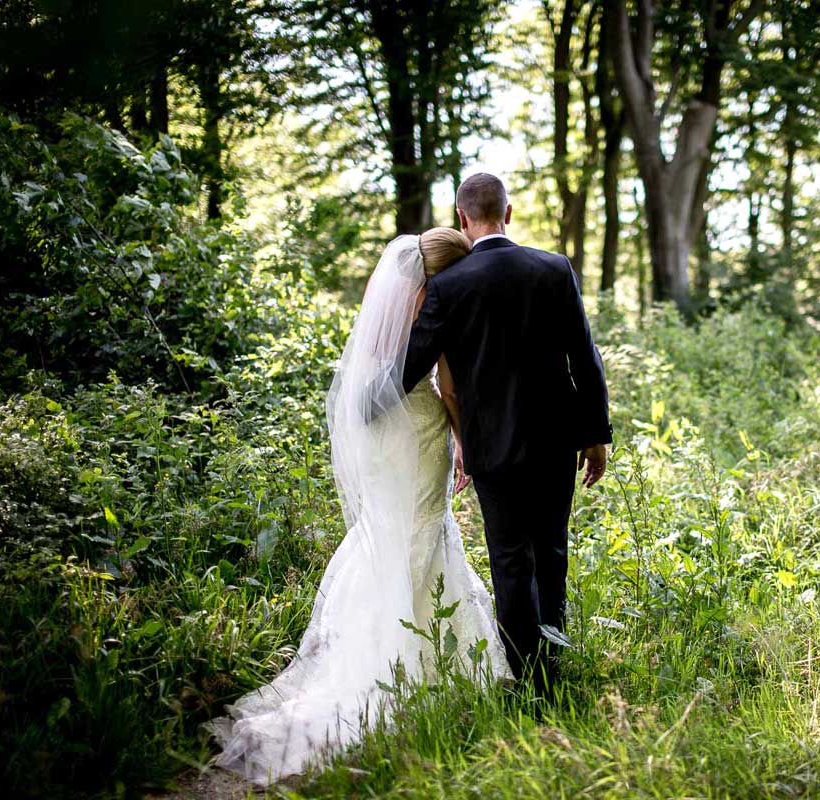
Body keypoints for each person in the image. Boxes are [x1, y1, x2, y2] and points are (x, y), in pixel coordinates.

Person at [208, 227, 510, 785]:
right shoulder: (435, 312)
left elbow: (370, 386)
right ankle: (413, 673)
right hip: (419, 439)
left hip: (385, 443)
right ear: (439, 278)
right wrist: (465, 438)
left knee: (391, 534)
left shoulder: (385, 319)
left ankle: (381, 655)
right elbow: (447, 390)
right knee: (423, 530)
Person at [401, 173, 613, 696]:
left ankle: (525, 676)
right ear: (509, 213)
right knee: (552, 551)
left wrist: (364, 401)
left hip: (492, 447)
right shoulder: (554, 268)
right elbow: (585, 358)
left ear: (462, 220)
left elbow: (413, 365)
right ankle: (553, 668)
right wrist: (596, 434)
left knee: (511, 560)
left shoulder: (449, 285)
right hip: (555, 441)